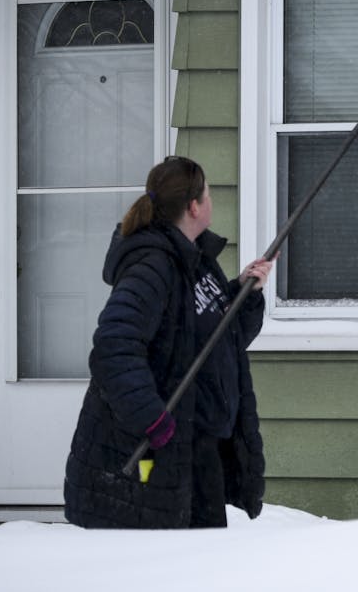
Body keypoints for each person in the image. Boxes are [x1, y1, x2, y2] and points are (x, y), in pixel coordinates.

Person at [64, 155, 274, 529]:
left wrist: (244, 292)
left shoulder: (194, 257)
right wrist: (153, 419)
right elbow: (114, 349)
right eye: (208, 194)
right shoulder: (152, 266)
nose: (212, 201)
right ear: (194, 206)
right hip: (159, 460)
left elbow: (216, 337)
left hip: (196, 451)